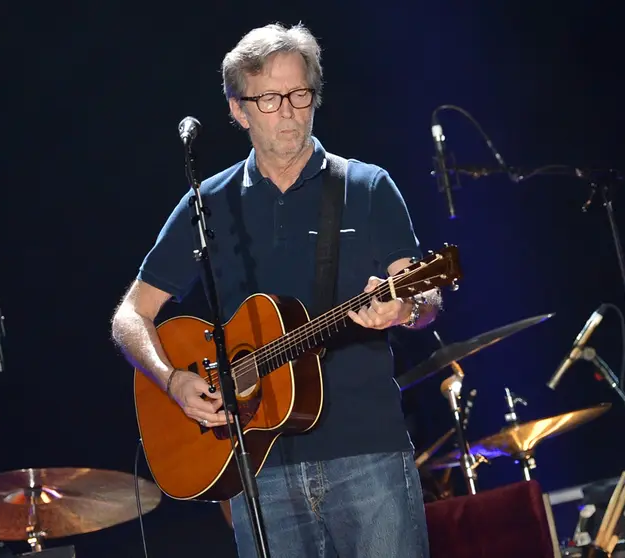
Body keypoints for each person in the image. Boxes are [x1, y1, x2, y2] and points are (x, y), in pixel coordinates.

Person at [111, 22, 442, 558]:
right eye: (268, 98)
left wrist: (406, 307)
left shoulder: (367, 187)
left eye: (298, 94)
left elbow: (426, 300)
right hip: (256, 470)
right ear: (238, 112)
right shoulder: (208, 204)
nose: (288, 110)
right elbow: (130, 315)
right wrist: (172, 380)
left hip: (367, 454)